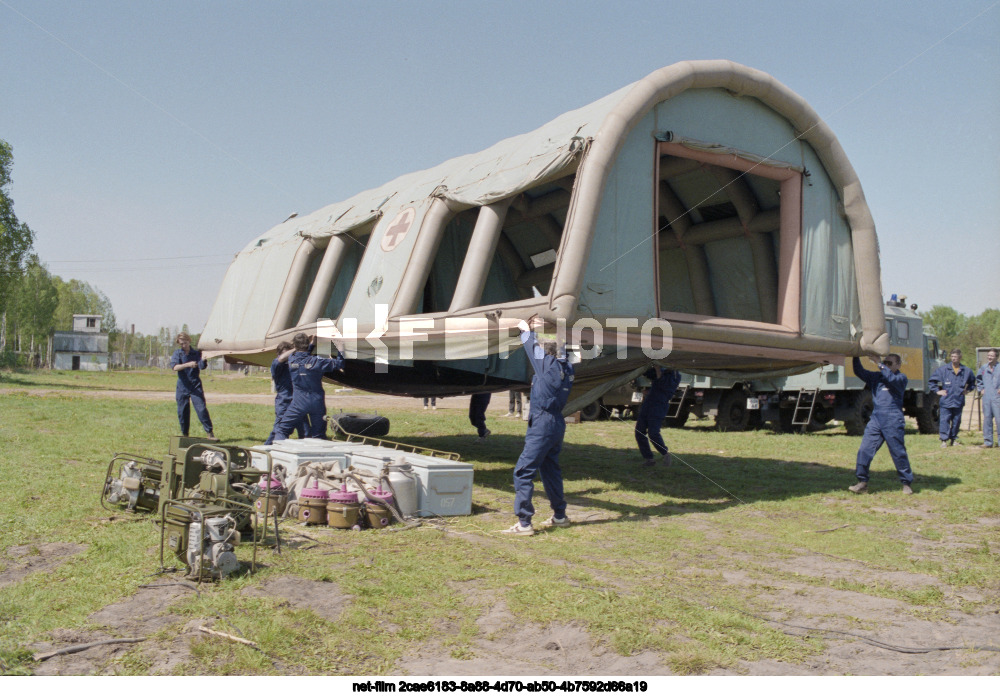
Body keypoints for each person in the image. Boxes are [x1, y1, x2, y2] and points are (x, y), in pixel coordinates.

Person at [502, 316, 575, 536]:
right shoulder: (568, 369)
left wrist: (525, 328)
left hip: (542, 424)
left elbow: (531, 346)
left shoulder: (548, 366)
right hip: (556, 423)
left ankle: (524, 523)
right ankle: (559, 516)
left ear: (546, 352)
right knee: (550, 468)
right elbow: (560, 349)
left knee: (523, 472)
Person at [848, 354, 914, 495]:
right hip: (876, 418)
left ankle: (906, 483)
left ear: (898, 365)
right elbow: (859, 371)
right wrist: (855, 355)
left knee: (898, 452)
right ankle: (862, 482)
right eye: (885, 362)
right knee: (865, 450)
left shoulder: (901, 378)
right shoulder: (876, 378)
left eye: (890, 363)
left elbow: (891, 378)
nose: (887, 365)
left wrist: (879, 363)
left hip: (893, 419)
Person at [272, 332, 344, 441]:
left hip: (298, 403)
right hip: (317, 402)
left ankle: (277, 452)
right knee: (318, 434)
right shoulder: (317, 362)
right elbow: (339, 364)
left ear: (295, 346)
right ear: (306, 345)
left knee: (282, 429)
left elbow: (282, 358)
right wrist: (340, 348)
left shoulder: (292, 359)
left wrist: (309, 344)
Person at [169, 332, 215, 439]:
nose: (183, 346)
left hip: (195, 386)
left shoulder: (196, 353)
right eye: (181, 344)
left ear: (189, 341)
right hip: (182, 386)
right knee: (182, 411)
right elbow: (174, 367)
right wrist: (187, 365)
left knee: (201, 409)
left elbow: (202, 366)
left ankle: (210, 433)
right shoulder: (177, 353)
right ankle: (185, 435)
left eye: (185, 343)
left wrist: (203, 359)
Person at [634, 366, 682, 467]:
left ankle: (665, 454)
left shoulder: (675, 376)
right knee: (639, 431)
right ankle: (649, 459)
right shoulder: (662, 371)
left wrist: (657, 369)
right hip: (648, 403)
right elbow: (649, 373)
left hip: (659, 406)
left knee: (653, 433)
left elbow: (662, 382)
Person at [928, 349, 976, 447]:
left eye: (956, 357)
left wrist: (967, 390)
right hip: (946, 400)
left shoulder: (966, 371)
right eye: (952, 356)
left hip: (958, 400)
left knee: (956, 421)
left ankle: (954, 439)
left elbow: (972, 382)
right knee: (944, 420)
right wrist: (938, 391)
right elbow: (932, 381)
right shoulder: (943, 369)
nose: (954, 358)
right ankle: (944, 440)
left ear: (960, 357)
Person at [264, 341, 304, 445]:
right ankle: (266, 449)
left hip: (298, 402)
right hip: (284, 401)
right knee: (279, 430)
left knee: (305, 431)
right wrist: (295, 348)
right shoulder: (276, 364)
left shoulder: (294, 364)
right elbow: (281, 359)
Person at [976, 348, 1000, 449]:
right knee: (987, 420)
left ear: (996, 357)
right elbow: (978, 380)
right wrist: (981, 389)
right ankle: (988, 442)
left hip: (997, 398)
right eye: (988, 355)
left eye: (991, 355)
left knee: (999, 420)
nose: (989, 357)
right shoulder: (983, 368)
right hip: (986, 398)